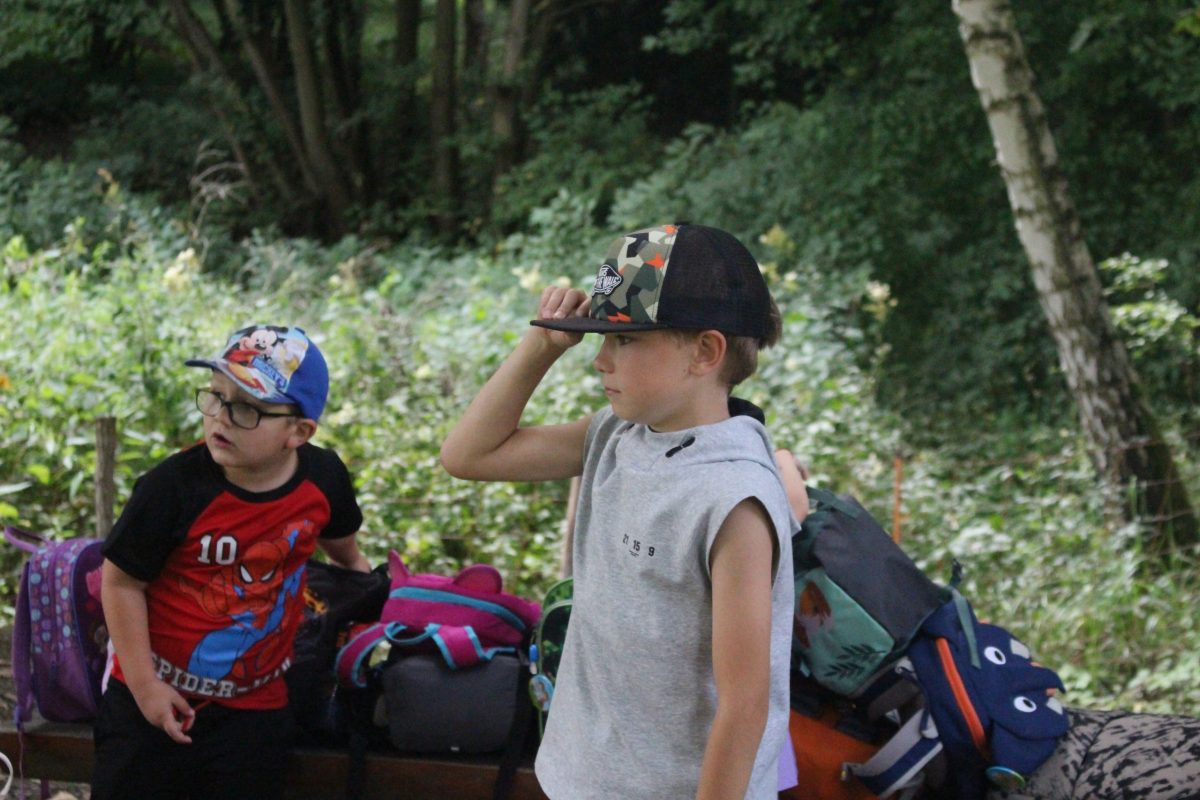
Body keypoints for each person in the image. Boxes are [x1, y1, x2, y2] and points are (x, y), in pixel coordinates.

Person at [440, 223, 799, 800]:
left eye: (625, 340)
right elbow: (467, 455)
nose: (600, 360)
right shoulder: (616, 434)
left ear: (705, 352)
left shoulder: (733, 498)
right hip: (582, 776)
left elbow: (745, 704)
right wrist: (541, 347)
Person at [93, 324, 370, 800]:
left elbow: (346, 557)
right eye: (216, 396)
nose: (221, 418)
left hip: (256, 708)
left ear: (299, 432)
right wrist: (145, 687)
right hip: (150, 698)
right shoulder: (172, 488)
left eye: (246, 407)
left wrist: (367, 605)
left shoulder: (323, 480)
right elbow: (120, 584)